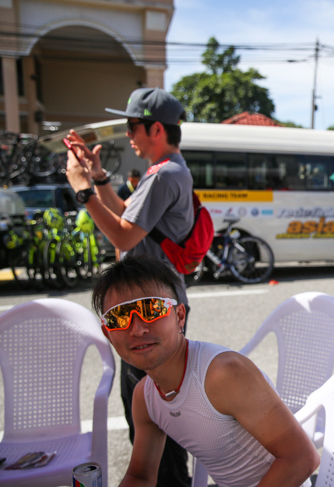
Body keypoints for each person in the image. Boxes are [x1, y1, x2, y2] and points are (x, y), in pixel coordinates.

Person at [92, 256, 319, 487]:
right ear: (107, 333)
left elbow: (301, 458)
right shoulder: (145, 397)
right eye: (119, 317)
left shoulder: (224, 374)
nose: (137, 328)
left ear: (179, 316)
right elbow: (139, 476)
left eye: (151, 310)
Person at [65, 87, 195, 486]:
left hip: (149, 313)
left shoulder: (165, 174)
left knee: (153, 411)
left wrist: (82, 189)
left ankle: (170, 482)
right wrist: (100, 178)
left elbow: (122, 237)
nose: (129, 134)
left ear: (156, 128)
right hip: (151, 308)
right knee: (152, 405)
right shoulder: (165, 170)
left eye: (132, 126)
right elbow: (128, 216)